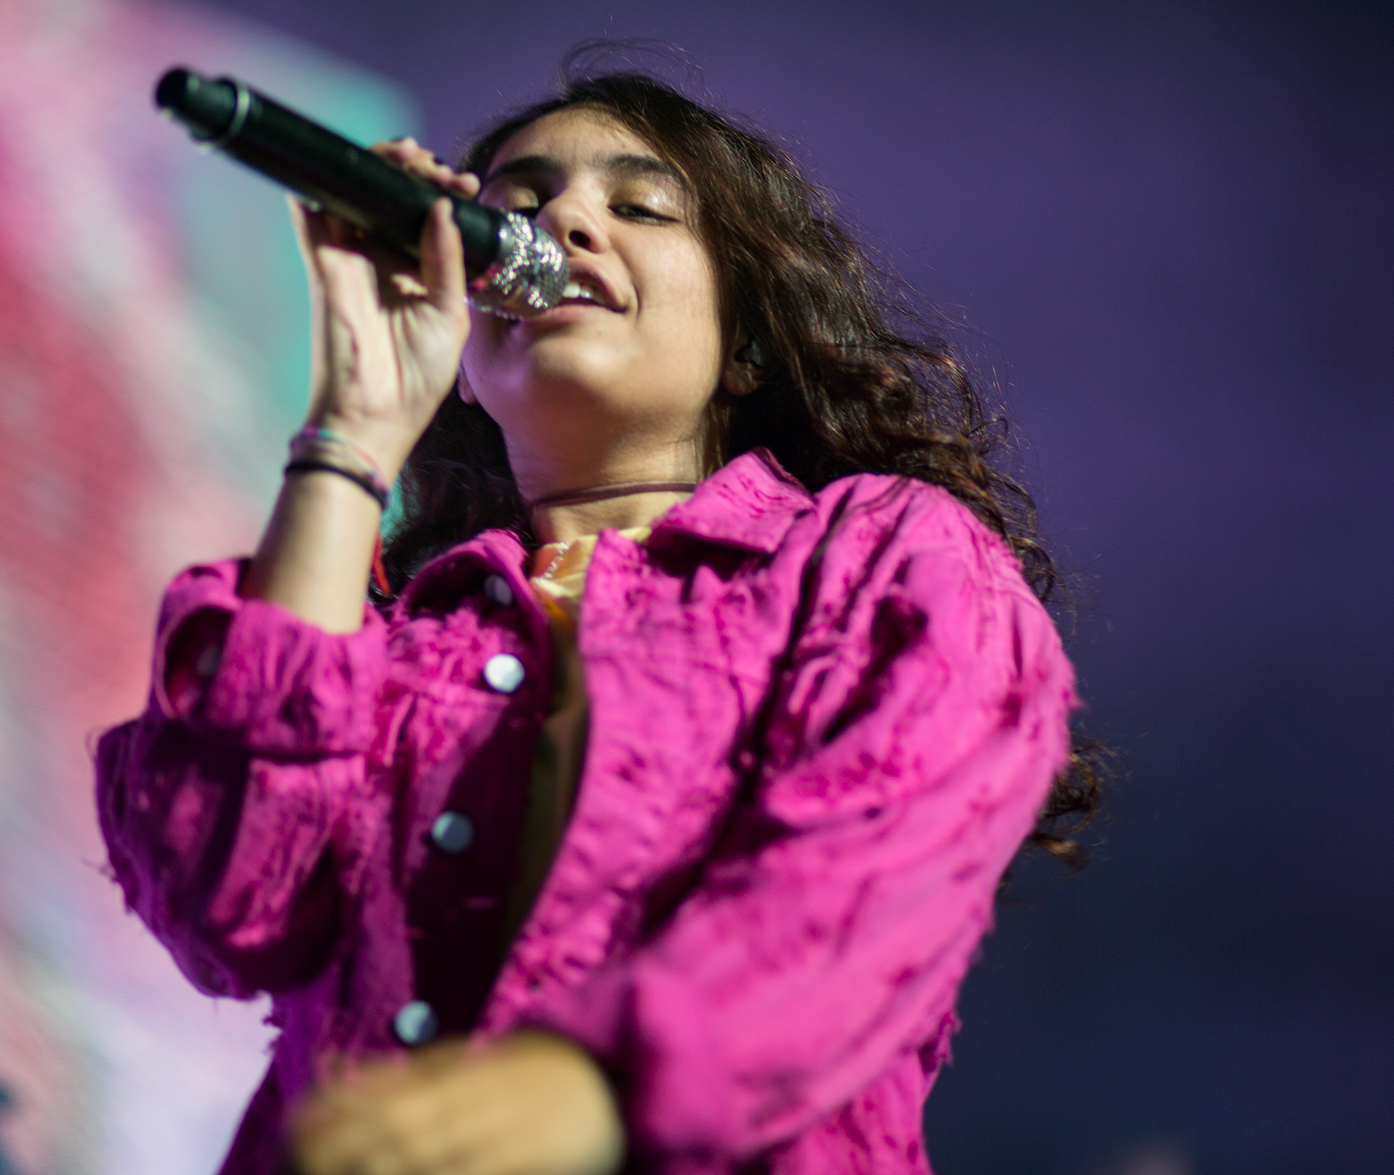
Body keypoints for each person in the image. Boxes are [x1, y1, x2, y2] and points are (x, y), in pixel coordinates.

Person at [96, 63, 1094, 1175]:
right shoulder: (382, 643)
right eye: (517, 205)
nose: (560, 221)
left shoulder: (881, 556)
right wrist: (355, 422)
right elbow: (228, 898)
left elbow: (875, 874)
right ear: (468, 355)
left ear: (746, 348)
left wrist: (599, 1078)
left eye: (639, 206)